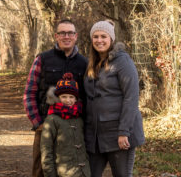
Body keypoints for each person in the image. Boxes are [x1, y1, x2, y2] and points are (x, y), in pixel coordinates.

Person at [24, 19, 88, 177]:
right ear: (56, 36)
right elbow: (29, 92)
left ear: (76, 36)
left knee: (73, 171)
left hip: (73, 129)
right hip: (45, 125)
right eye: (62, 33)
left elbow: (87, 96)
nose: (66, 36)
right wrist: (38, 123)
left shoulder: (84, 63)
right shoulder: (43, 59)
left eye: (70, 33)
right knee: (41, 169)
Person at [84, 20, 145, 177]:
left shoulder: (123, 61)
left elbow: (131, 98)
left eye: (103, 36)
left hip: (119, 134)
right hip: (96, 135)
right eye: (95, 36)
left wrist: (124, 131)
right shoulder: (92, 63)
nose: (99, 40)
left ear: (111, 38)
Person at [40, 72, 91, 177]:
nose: (68, 100)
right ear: (58, 97)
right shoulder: (52, 119)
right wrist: (50, 174)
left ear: (76, 98)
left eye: (71, 97)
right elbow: (46, 150)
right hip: (64, 173)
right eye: (64, 97)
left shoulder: (79, 117)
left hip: (84, 172)